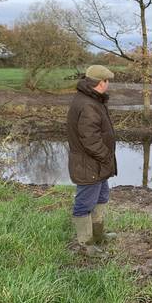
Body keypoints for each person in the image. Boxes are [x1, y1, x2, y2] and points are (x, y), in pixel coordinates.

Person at [67, 65, 117, 257]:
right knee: (84, 203)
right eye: (107, 81)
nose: (108, 84)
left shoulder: (92, 100)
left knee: (101, 197)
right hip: (89, 164)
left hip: (96, 163)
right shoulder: (88, 105)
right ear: (100, 82)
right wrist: (107, 157)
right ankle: (86, 245)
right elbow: (91, 140)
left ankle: (99, 235)